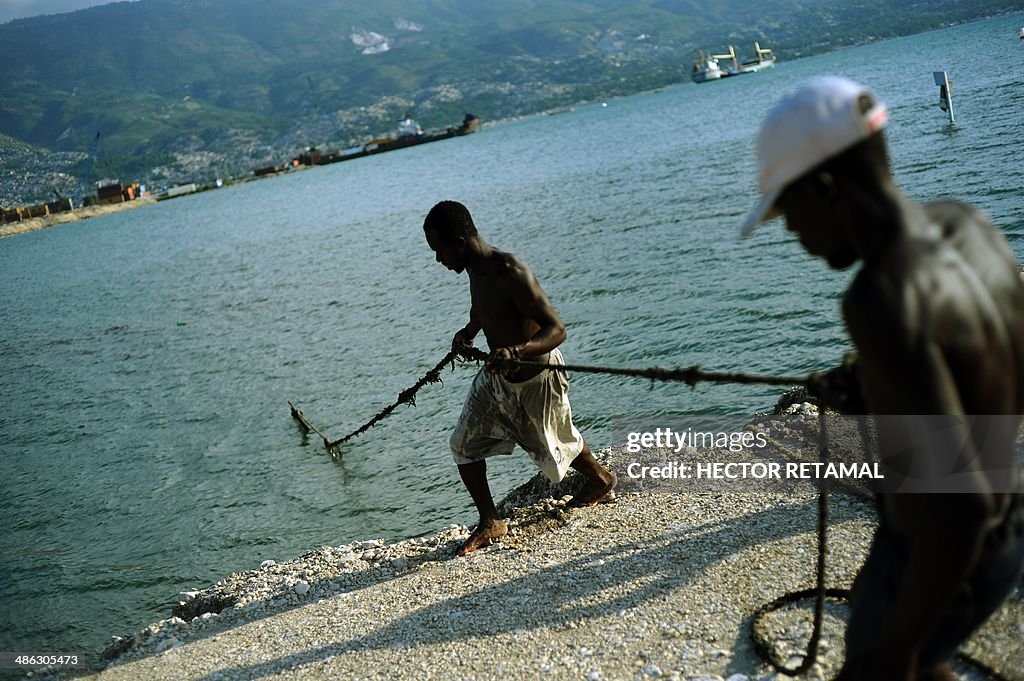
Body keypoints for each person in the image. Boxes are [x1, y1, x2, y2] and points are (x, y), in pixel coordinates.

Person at [740, 76, 1024, 681]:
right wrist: (875, 390)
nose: (792, 233)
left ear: (825, 189)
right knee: (930, 662)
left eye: (789, 212)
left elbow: (962, 504)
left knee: (893, 664)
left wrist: (895, 644)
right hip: (1007, 539)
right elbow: (989, 372)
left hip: (934, 553)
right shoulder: (967, 225)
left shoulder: (879, 298)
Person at [423, 200, 617, 555]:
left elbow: (557, 329)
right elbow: (484, 306)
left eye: (440, 250)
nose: (439, 259)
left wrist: (517, 351)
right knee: (463, 446)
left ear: (461, 242)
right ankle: (491, 521)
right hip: (499, 376)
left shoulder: (510, 270)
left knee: (556, 442)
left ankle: (601, 479)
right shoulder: (475, 271)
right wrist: (468, 331)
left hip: (538, 375)